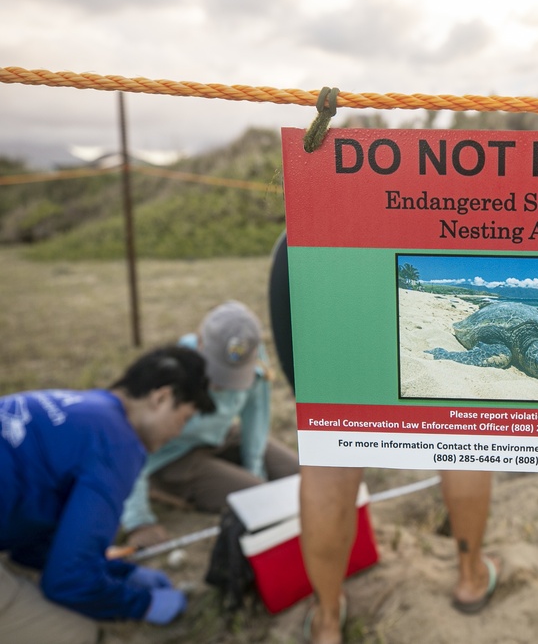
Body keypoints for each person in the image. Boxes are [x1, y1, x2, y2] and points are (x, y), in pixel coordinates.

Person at [267, 232, 500, 644]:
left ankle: (327, 620)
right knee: (465, 436)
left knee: (329, 450)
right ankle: (470, 578)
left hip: (320, 249)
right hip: (432, 232)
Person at [1, 346, 216, 643]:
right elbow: (67, 581)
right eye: (184, 418)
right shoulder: (118, 444)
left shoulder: (86, 410)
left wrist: (118, 572)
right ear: (161, 398)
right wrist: (142, 605)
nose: (178, 433)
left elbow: (31, 548)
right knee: (79, 634)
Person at [121, 300, 300, 549]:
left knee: (303, 476)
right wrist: (139, 521)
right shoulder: (170, 370)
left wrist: (254, 469)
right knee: (261, 500)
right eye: (216, 374)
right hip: (173, 455)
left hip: (221, 436)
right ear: (199, 342)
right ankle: (162, 486)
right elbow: (131, 442)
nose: (224, 385)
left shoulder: (251, 354)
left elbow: (256, 420)